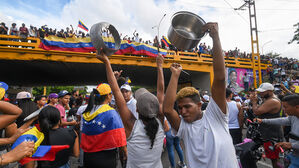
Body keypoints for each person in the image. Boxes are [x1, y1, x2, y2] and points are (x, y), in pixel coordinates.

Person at [163, 22, 238, 168]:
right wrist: (175, 75)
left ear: (199, 105)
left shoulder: (215, 114)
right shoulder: (184, 127)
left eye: (187, 107)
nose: (182, 112)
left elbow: (220, 78)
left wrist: (215, 37)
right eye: (180, 108)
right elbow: (167, 110)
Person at [97, 50, 165, 168]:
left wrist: (107, 62)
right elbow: (161, 91)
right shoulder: (160, 123)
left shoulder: (131, 125)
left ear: (137, 110)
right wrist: (160, 66)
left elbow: (116, 91)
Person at [80, 83, 126, 168]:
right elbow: (119, 135)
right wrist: (125, 152)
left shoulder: (87, 111)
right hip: (106, 157)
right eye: (111, 93)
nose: (112, 96)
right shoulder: (111, 112)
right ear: (108, 96)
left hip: (88, 156)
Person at [255, 94, 299, 168]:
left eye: (285, 107)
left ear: (297, 107)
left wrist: (291, 145)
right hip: (294, 155)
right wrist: (263, 121)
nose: (283, 109)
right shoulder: (293, 117)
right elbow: (282, 120)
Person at [250, 82, 283, 168]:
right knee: (272, 157)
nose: (260, 93)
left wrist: (254, 102)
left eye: (262, 92)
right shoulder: (268, 99)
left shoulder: (272, 101)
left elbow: (257, 111)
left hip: (272, 134)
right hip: (268, 132)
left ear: (270, 91)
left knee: (274, 158)